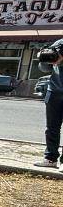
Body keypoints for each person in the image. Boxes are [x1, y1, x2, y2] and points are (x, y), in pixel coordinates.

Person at [34, 38, 63, 169]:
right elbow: (44, 68)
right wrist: (43, 58)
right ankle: (50, 158)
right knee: (51, 127)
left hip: (56, 90)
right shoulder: (58, 43)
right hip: (54, 91)